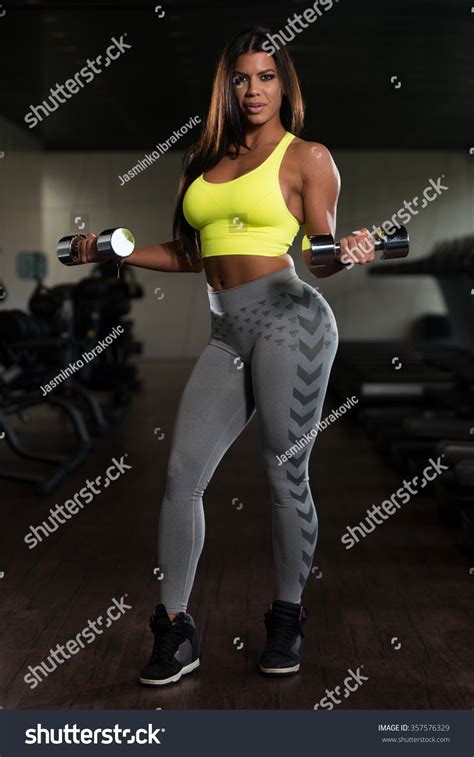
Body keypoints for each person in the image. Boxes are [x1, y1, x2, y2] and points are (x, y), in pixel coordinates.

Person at [73, 25, 376, 688]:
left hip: (290, 322)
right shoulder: (203, 161)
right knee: (183, 473)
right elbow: (193, 252)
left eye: (267, 76)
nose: (254, 88)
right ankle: (177, 630)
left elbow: (319, 255)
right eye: (242, 77)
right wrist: (114, 250)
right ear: (226, 87)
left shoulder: (307, 158)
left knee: (282, 471)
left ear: (283, 84)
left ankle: (288, 615)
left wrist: (348, 248)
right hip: (226, 332)